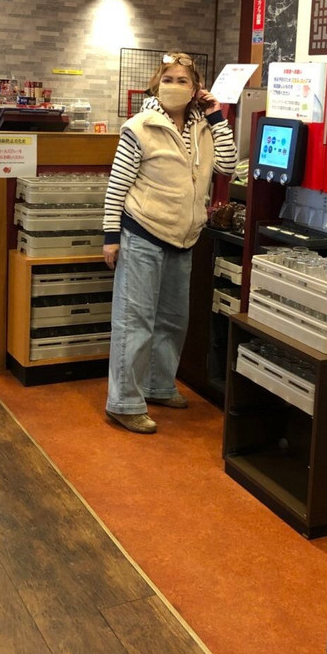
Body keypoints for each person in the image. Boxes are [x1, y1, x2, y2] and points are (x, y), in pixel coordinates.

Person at [102, 52, 239, 434]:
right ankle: (124, 403)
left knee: (173, 320)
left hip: (184, 237)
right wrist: (111, 237)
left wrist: (217, 116)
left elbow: (227, 165)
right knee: (135, 321)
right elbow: (117, 185)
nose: (174, 86)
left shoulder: (204, 128)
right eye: (168, 79)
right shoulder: (140, 127)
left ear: (196, 89)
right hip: (142, 233)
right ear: (156, 85)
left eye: (183, 80)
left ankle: (159, 386)